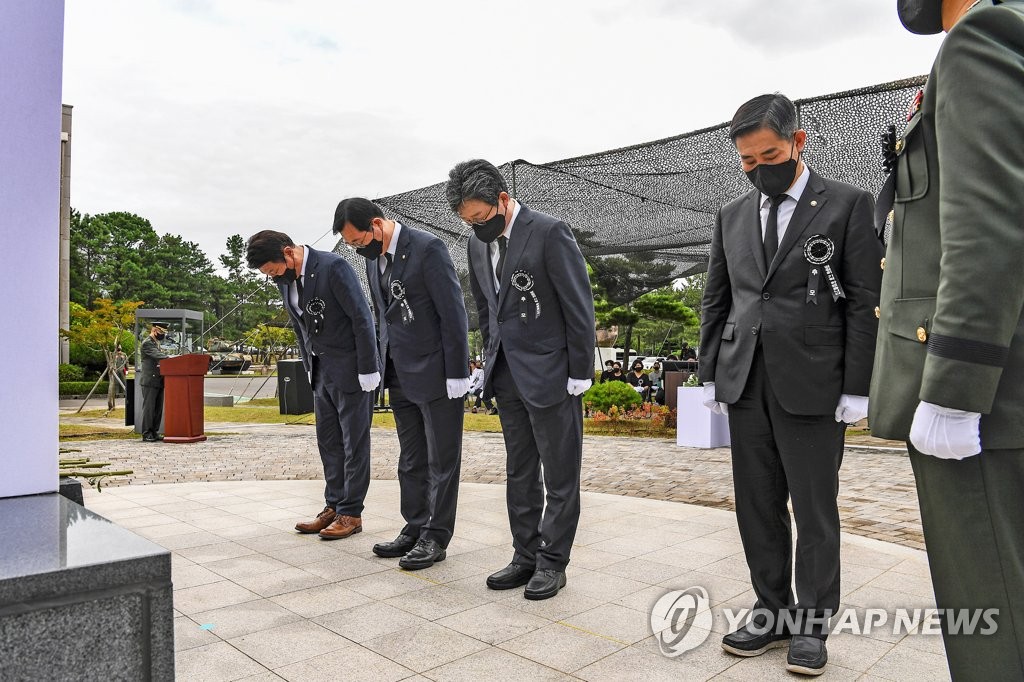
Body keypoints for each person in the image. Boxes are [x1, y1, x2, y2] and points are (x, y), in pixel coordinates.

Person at [699, 93, 882, 675]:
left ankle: (812, 625)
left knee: (813, 507)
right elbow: (717, 297)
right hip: (746, 379)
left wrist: (859, 386)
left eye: (769, 155)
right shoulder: (731, 215)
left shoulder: (849, 204)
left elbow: (863, 301)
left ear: (798, 142)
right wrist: (710, 373)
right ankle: (770, 609)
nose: (758, 169)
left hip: (814, 382)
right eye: (748, 162)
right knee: (756, 506)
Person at [869, 1, 1024, 677]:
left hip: (992, 407)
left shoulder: (980, 37)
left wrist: (956, 385)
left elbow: (989, 221)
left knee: (994, 624)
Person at [447, 158, 596, 600]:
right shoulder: (477, 246)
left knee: (560, 473)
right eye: (467, 221)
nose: (476, 228)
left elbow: (578, 303)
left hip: (552, 373)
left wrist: (580, 370)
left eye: (480, 217)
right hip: (507, 375)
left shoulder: (549, 232)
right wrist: (486, 366)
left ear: (503, 200)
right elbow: (487, 310)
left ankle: (553, 562)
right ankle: (524, 554)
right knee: (520, 470)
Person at [334, 197, 470, 570]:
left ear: (376, 225)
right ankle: (414, 526)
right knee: (411, 458)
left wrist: (458, 371)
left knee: (441, 459)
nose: (358, 248)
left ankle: (436, 536)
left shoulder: (427, 248)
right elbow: (384, 317)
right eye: (352, 245)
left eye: (359, 241)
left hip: (437, 372)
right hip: (399, 372)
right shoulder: (374, 259)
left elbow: (453, 312)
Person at [246, 230, 379, 540]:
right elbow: (299, 325)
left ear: (289, 253)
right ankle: (333, 505)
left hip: (352, 371)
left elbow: (362, 317)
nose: (273, 277)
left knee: (353, 444)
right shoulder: (285, 281)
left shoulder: (333, 268)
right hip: (321, 372)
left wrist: (369, 368)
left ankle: (351, 513)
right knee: (329, 443)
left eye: (273, 270)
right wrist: (308, 366)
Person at [138, 324, 169, 442]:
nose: (163, 335)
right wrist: (171, 358)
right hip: (150, 380)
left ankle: (154, 432)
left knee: (157, 409)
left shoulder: (156, 343)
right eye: (161, 332)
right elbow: (160, 356)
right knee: (149, 408)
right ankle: (146, 433)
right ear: (155, 330)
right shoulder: (147, 343)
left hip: (159, 380)